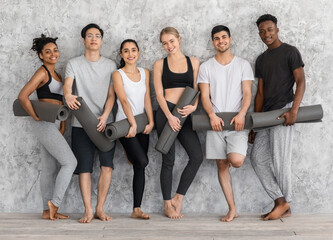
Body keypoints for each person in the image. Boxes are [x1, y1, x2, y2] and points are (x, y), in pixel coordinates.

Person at [249, 14, 305, 220]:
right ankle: (281, 202)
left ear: (277, 29)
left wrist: (294, 111)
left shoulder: (290, 52)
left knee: (280, 160)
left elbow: (301, 82)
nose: (266, 34)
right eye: (262, 31)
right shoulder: (261, 59)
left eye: (269, 29)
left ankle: (285, 203)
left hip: (284, 111)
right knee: (257, 158)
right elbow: (260, 94)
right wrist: (255, 125)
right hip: (266, 116)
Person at [18, 34, 77, 220]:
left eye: (55, 50)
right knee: (70, 163)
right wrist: (35, 115)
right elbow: (23, 95)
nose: (53, 54)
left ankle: (46, 210)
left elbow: (60, 103)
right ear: (41, 56)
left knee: (49, 167)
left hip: (55, 123)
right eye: (48, 52)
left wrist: (62, 125)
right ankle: (55, 203)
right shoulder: (42, 72)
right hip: (44, 123)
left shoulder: (57, 75)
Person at [198, 25, 254, 222]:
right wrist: (212, 115)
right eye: (216, 38)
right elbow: (205, 96)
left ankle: (232, 152)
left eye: (224, 37)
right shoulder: (206, 67)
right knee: (222, 164)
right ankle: (232, 209)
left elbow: (247, 93)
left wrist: (242, 114)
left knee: (236, 161)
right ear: (213, 42)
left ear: (230, 39)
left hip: (238, 122)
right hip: (216, 123)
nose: (220, 41)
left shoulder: (243, 64)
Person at [63, 23, 117, 223]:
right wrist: (68, 96)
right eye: (89, 35)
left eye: (97, 35)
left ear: (101, 40)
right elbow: (67, 87)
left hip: (106, 124)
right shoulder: (74, 63)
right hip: (81, 124)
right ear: (83, 40)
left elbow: (112, 95)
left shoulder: (111, 65)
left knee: (107, 166)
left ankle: (100, 209)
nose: (94, 39)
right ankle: (87, 210)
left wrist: (105, 116)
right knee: (84, 167)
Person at [153, 27, 203, 219]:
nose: (169, 46)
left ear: (179, 39)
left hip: (186, 113)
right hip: (166, 113)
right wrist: (169, 116)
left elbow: (198, 88)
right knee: (168, 160)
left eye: (171, 41)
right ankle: (167, 204)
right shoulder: (159, 64)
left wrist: (194, 106)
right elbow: (158, 93)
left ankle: (178, 197)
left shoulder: (194, 62)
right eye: (165, 43)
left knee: (196, 156)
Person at [112, 39, 154, 219]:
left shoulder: (145, 73)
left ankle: (136, 209)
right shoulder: (117, 74)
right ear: (121, 54)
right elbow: (123, 100)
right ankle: (127, 147)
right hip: (125, 125)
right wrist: (132, 124)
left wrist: (151, 122)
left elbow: (147, 99)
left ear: (139, 52)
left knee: (139, 166)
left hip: (142, 123)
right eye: (126, 51)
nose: (130, 54)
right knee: (142, 161)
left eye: (133, 50)